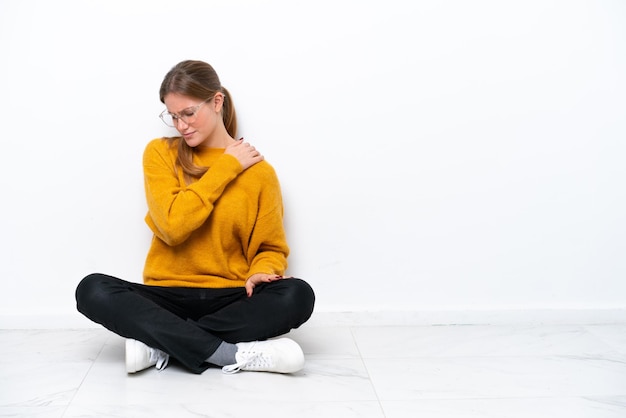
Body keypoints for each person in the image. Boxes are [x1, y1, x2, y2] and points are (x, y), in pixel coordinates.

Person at [75, 60, 315, 375]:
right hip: (165, 296)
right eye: (173, 116)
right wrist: (227, 167)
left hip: (231, 296)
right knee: (91, 289)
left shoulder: (259, 172)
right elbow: (174, 227)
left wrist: (263, 270)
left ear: (217, 101)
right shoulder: (160, 154)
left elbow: (270, 246)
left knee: (298, 295)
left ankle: (159, 343)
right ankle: (230, 354)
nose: (181, 125)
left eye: (188, 113)